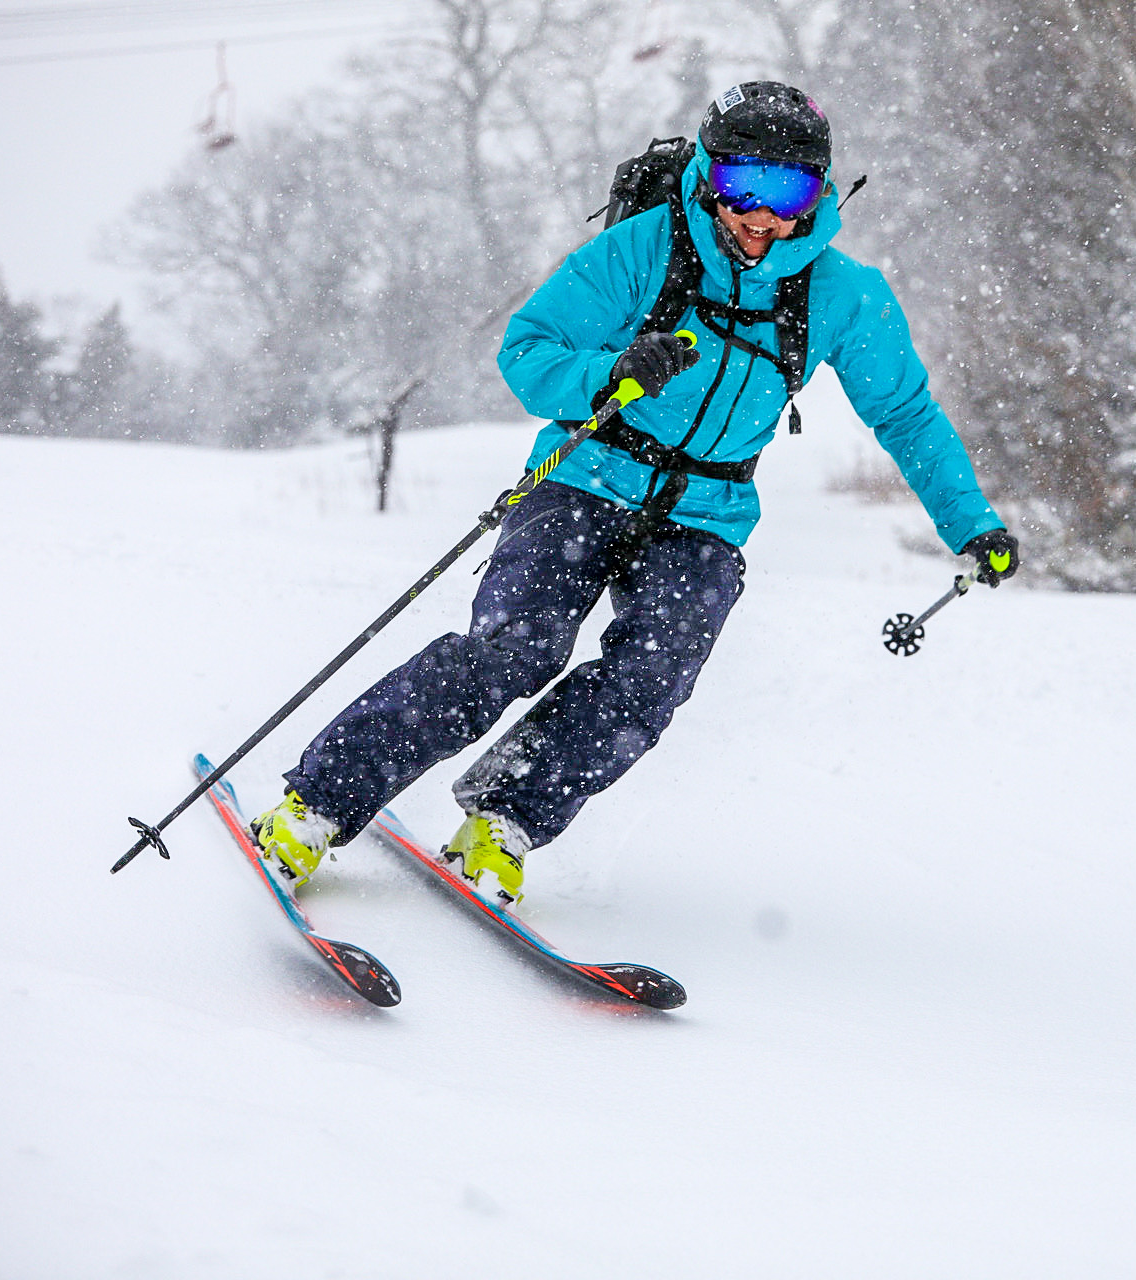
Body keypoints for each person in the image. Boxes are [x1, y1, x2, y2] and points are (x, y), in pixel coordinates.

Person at [248, 81, 1020, 905]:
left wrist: (971, 524)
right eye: (742, 185)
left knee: (650, 680)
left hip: (705, 516)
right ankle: (316, 804)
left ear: (820, 192)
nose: (761, 215)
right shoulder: (644, 248)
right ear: (709, 177)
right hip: (584, 479)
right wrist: (609, 372)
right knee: (515, 649)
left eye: (788, 191)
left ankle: (504, 819)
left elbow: (906, 415)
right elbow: (527, 351)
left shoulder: (843, 294)